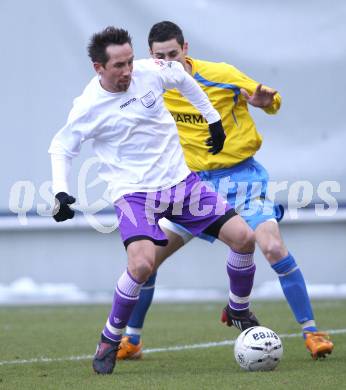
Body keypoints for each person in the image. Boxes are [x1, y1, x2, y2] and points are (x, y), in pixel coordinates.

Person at [118, 21, 334, 361]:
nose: (168, 62)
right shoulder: (150, 84)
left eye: (174, 54)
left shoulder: (220, 74)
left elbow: (269, 99)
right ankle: (131, 341)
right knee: (145, 261)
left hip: (241, 181)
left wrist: (266, 102)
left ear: (186, 49)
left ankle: (311, 332)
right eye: (160, 57)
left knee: (273, 246)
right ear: (150, 55)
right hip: (191, 187)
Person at [49, 26, 258, 375]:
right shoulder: (87, 106)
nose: (128, 71)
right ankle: (110, 338)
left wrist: (212, 120)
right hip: (134, 194)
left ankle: (238, 308)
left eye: (130, 61)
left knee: (244, 239)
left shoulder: (150, 71)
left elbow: (182, 76)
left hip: (181, 184)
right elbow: (62, 147)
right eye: (118, 65)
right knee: (143, 265)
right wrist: (59, 191)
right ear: (98, 67)